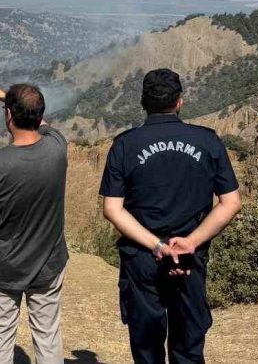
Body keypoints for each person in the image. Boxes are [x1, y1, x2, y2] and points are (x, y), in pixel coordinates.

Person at [100, 68, 242, 364]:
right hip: (190, 259)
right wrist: (190, 242)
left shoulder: (125, 145)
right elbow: (230, 203)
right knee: (188, 348)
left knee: (147, 350)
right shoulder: (207, 141)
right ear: (180, 102)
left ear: (143, 103)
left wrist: (156, 246)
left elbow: (113, 209)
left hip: (142, 259)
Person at [0, 82, 69, 364]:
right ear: (40, 117)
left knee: (0, 336)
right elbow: (47, 127)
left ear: (8, 117)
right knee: (48, 336)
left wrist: (7, 101)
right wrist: (9, 99)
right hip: (48, 263)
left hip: (3, 265)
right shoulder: (57, 149)